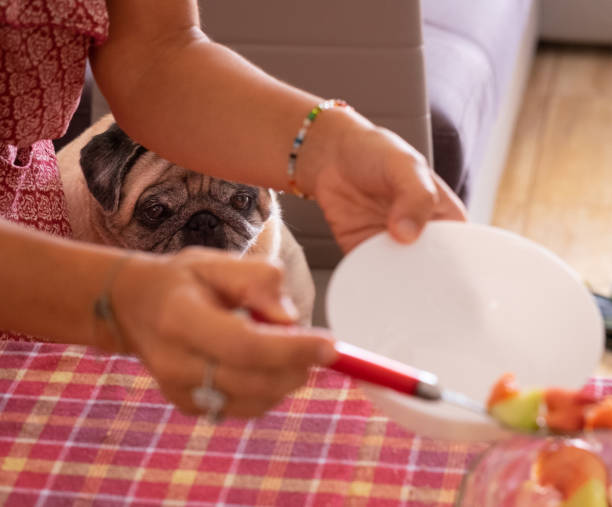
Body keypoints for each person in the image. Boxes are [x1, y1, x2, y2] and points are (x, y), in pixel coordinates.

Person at [0, 0, 466, 421]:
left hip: (31, 211)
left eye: (240, 201)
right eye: (159, 212)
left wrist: (331, 143)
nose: (206, 226)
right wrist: (122, 298)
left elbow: (158, 54)